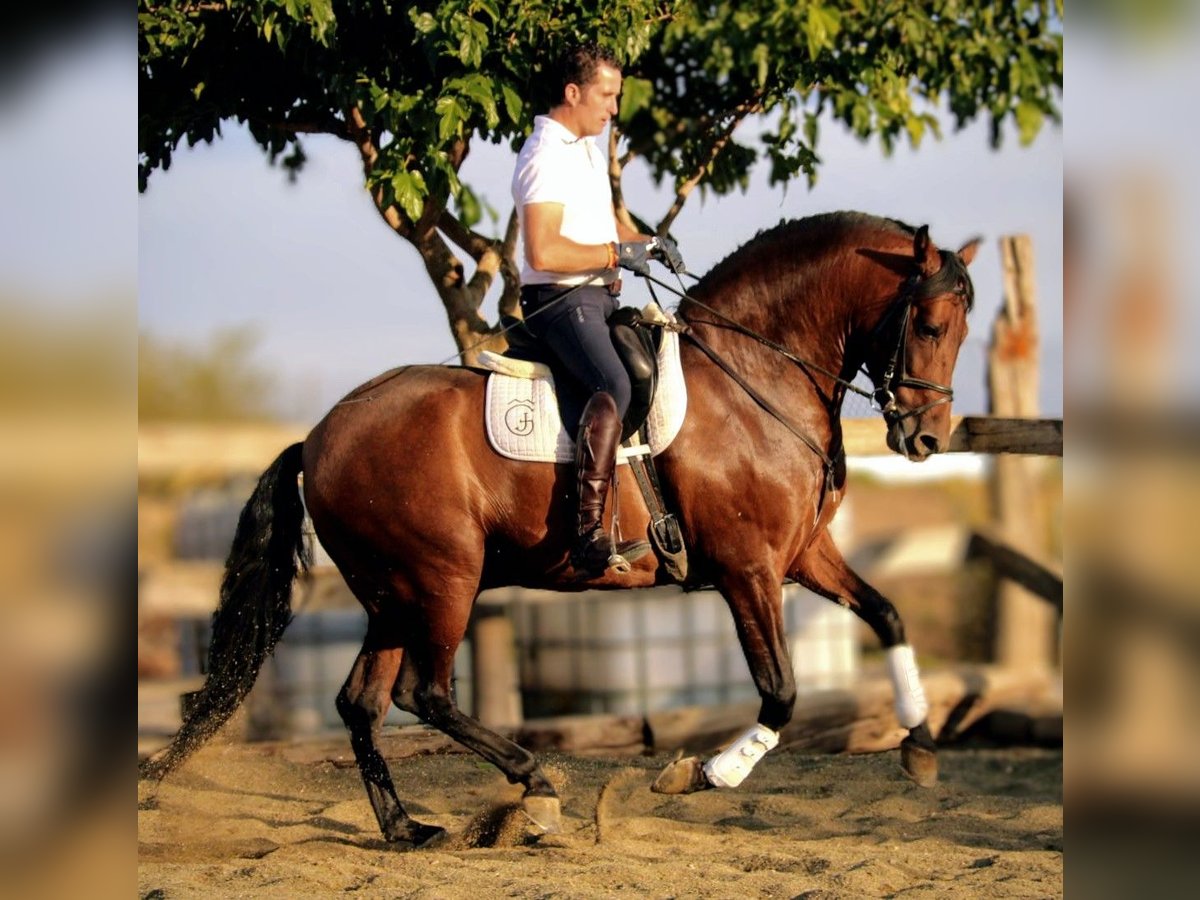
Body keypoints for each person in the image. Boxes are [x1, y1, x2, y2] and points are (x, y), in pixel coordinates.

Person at [511, 43, 684, 578]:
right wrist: (616, 255)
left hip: (595, 296)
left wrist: (649, 243)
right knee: (615, 383)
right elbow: (544, 251)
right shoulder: (545, 154)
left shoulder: (585, 148)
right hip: (559, 299)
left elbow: (610, 227)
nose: (613, 108)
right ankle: (586, 534)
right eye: (606, 95)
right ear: (574, 92)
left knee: (648, 365)